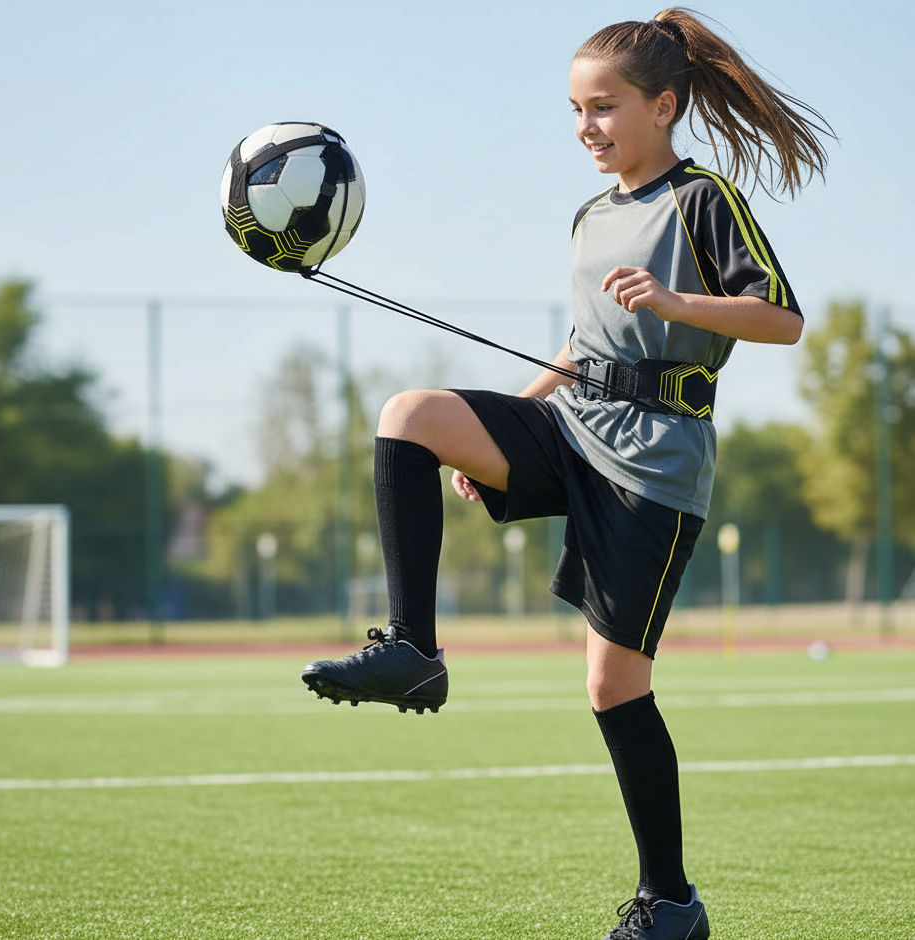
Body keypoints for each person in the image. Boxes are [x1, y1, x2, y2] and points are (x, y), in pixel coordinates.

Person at [302, 8, 833, 939]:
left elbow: (782, 319)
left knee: (612, 689)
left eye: (605, 107)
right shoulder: (590, 216)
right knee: (412, 417)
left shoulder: (701, 198)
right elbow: (584, 345)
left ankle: (671, 903)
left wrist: (676, 301)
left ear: (663, 107)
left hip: (656, 464)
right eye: (576, 111)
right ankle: (415, 651)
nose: (587, 126)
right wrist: (501, 431)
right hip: (574, 426)